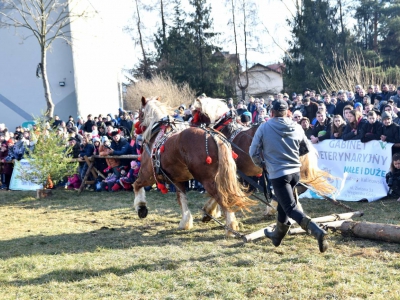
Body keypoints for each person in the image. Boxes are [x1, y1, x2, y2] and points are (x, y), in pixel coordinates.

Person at [249, 99, 328, 253]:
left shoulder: (264, 127)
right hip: (294, 173)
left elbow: (253, 152)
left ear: (272, 112)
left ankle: (317, 231)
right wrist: (292, 156)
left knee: (290, 208)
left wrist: (262, 164)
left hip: (278, 174)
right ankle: (277, 236)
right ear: (287, 112)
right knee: (284, 205)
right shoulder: (297, 126)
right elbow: (305, 149)